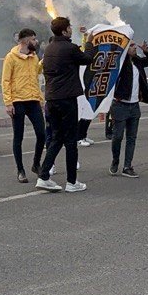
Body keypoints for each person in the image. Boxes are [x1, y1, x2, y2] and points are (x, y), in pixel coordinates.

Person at [36, 16, 96, 192]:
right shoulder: (69, 48)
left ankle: (44, 175)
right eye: (69, 27)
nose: (71, 28)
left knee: (56, 137)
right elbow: (87, 59)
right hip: (67, 99)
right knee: (71, 140)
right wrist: (90, 42)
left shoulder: (48, 49)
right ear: (64, 31)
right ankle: (72, 182)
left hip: (52, 99)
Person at [108, 39, 148, 178]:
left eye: (134, 45)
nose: (134, 48)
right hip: (120, 105)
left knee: (132, 138)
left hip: (134, 106)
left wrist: (146, 51)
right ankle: (115, 160)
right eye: (131, 46)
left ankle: (127, 166)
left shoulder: (138, 62)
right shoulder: (119, 63)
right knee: (117, 137)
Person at [3, 28, 46, 183]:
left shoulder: (34, 57)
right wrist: (8, 102)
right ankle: (20, 170)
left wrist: (44, 62)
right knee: (18, 137)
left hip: (33, 99)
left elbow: (36, 73)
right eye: (33, 39)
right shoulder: (11, 57)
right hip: (18, 101)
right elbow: (6, 81)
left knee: (42, 134)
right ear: (25, 41)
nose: (36, 41)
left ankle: (36, 163)